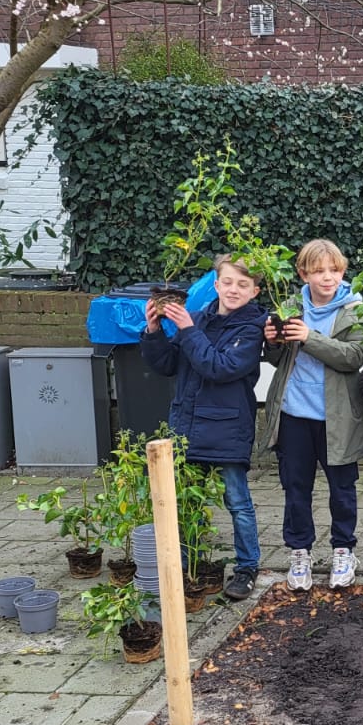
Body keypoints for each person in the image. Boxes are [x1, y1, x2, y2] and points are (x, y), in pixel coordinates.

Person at [140, 255, 267, 601]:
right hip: (187, 427)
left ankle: (247, 567)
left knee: (237, 502)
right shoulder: (196, 319)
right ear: (216, 284)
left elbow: (220, 367)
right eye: (227, 282)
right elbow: (167, 364)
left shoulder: (252, 329)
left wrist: (187, 329)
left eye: (243, 285)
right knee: (188, 503)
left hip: (227, 429)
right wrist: (153, 331)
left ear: (254, 291)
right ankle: (187, 564)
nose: (233, 290)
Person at [258, 239, 363, 593]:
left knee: (342, 490)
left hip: (337, 418)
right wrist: (272, 342)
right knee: (296, 488)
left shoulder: (356, 309)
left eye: (334, 270)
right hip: (294, 414)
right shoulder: (289, 306)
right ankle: (300, 553)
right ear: (303, 273)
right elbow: (276, 360)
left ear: (343, 271)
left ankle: (343, 551)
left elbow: (353, 357)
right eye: (318, 271)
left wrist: (309, 337)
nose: (327, 277)